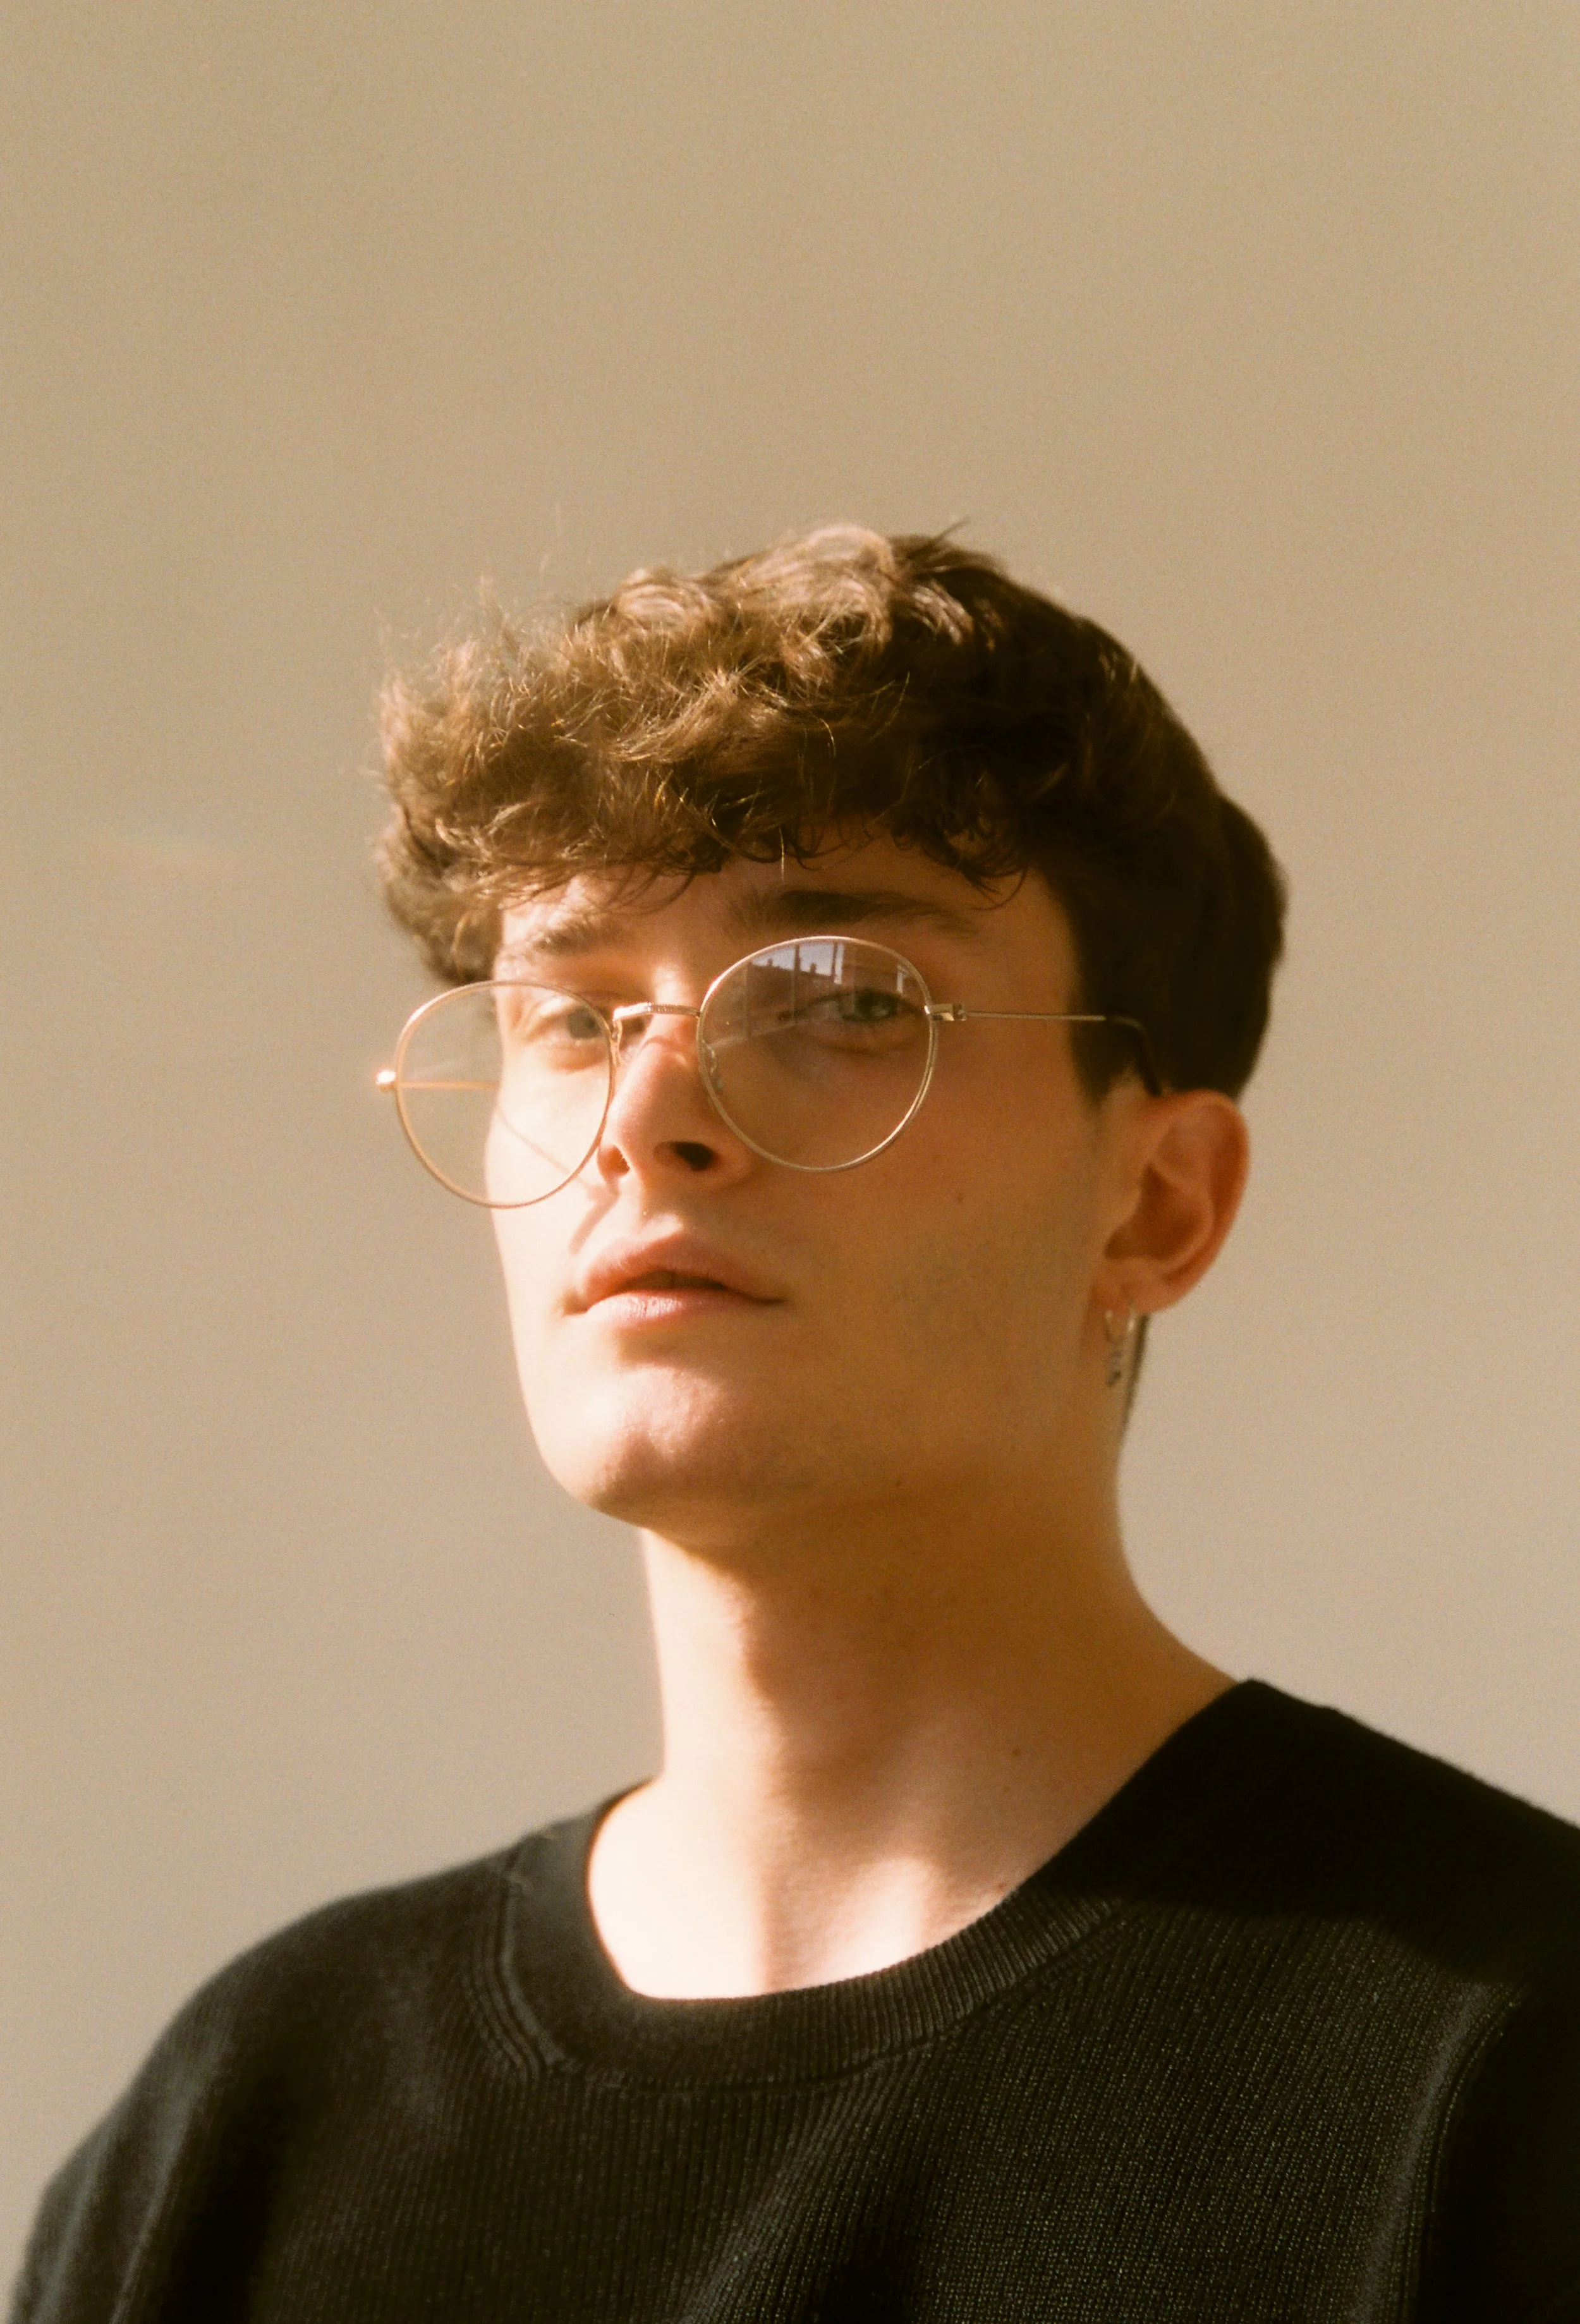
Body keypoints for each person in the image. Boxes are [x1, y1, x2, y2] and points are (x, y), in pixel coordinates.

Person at [15, 528, 1579, 2321]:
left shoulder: (1503, 2067)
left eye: (841, 997)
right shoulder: (249, 2125)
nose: (650, 1111)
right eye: (571, 1013)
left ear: (1153, 1203)